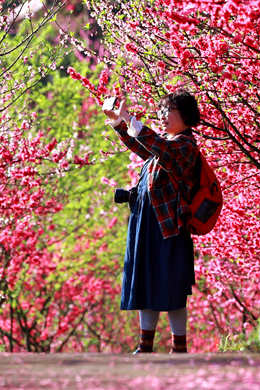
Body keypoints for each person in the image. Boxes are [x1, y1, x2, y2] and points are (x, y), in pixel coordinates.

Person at [103, 90, 201, 354]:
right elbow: (144, 146)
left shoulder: (185, 146)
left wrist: (129, 118)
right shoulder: (165, 144)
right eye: (162, 110)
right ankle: (145, 345)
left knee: (172, 286)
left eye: (169, 111)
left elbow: (159, 147)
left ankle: (178, 347)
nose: (163, 116)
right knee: (147, 283)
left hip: (169, 229)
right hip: (147, 224)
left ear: (185, 115)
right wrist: (118, 123)